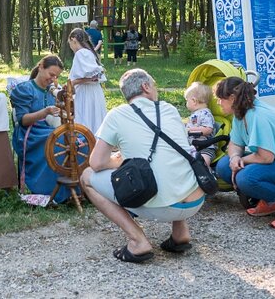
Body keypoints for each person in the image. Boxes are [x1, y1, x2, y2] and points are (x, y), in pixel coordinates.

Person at [81, 69, 205, 263]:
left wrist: (119, 161)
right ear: (145, 87)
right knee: (169, 160)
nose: (155, 90)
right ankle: (181, 233)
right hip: (196, 201)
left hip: (162, 206)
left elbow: (95, 163)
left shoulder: (116, 115)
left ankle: (137, 241)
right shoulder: (170, 109)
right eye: (154, 85)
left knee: (87, 177)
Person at [214, 77, 275, 229]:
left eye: (221, 99)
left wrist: (242, 161)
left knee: (246, 177)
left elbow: (266, 157)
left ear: (232, 98)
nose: (219, 102)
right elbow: (234, 143)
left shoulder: (258, 116)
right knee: (224, 165)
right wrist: (234, 158)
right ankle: (273, 201)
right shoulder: (241, 113)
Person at [10, 55, 72, 203]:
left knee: (77, 139)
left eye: (56, 76)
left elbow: (57, 116)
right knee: (58, 142)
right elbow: (23, 120)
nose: (53, 78)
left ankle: (77, 187)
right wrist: (45, 112)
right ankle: (53, 191)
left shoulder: (52, 92)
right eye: (51, 74)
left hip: (46, 130)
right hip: (30, 133)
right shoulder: (25, 89)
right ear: (41, 67)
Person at [67, 28, 107, 136]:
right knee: (94, 118)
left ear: (73, 39)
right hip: (93, 92)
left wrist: (74, 82)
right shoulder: (89, 52)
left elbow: (93, 76)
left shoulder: (81, 53)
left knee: (86, 118)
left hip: (86, 93)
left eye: (70, 43)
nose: (70, 47)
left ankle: (87, 143)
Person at [184, 82, 216, 167]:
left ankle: (208, 176)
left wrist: (190, 130)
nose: (186, 103)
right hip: (194, 147)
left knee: (203, 164)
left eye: (187, 100)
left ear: (194, 101)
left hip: (206, 148)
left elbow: (208, 129)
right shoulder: (196, 114)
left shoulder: (205, 114)